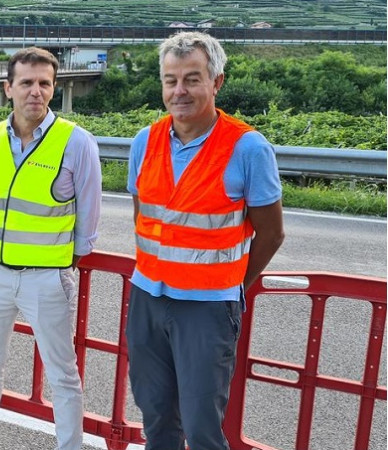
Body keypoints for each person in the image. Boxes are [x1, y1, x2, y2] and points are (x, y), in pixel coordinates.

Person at [125, 32, 285, 450]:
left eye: (192, 79)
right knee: (156, 417)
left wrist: (230, 284)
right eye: (171, 80)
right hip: (147, 298)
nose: (179, 91)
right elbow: (144, 216)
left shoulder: (248, 148)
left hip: (207, 308)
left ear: (217, 82)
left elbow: (271, 233)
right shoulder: (144, 141)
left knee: (201, 430)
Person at [0, 47, 102, 450]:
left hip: (47, 277)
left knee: (62, 373)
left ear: (54, 88)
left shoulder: (76, 142)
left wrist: (59, 262)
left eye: (45, 83)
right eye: (26, 82)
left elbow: (88, 222)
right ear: (8, 88)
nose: (36, 91)